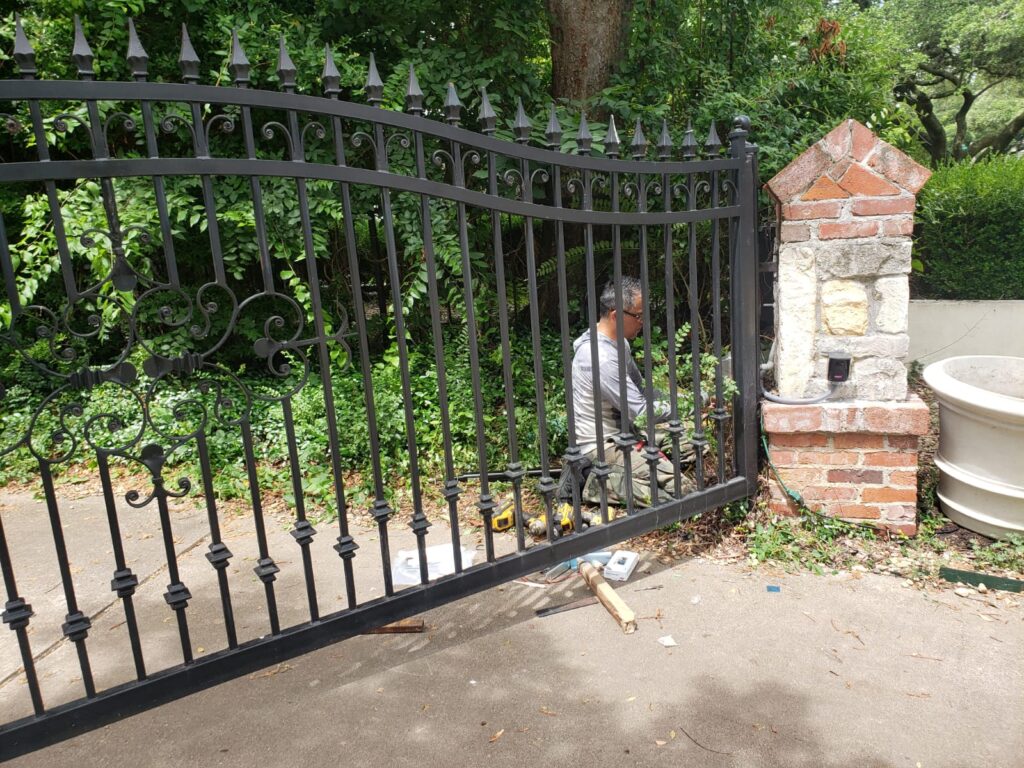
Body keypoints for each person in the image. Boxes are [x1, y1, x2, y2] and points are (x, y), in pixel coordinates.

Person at [569, 277, 694, 508]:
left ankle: (632, 471)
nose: (643, 322)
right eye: (638, 316)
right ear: (616, 315)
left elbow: (642, 391)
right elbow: (643, 411)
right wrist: (690, 406)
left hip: (628, 432)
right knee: (680, 492)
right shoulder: (599, 357)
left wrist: (683, 400)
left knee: (693, 444)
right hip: (601, 446)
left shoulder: (620, 344)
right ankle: (594, 483)